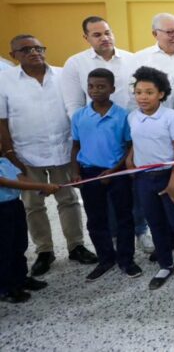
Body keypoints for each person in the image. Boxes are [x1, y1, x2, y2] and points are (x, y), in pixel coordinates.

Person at [0, 34, 97, 277]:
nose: (34, 52)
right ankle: (45, 251)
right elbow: (2, 121)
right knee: (33, 205)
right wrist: (11, 155)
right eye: (26, 50)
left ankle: (76, 246)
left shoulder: (63, 74)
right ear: (13, 55)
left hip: (63, 149)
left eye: (38, 48)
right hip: (25, 153)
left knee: (69, 200)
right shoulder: (4, 80)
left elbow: (77, 110)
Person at [60, 16, 153, 254]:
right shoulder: (75, 63)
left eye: (107, 32)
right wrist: (93, 131)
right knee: (104, 197)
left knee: (133, 187)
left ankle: (141, 231)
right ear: (86, 37)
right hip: (98, 135)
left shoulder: (132, 59)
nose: (105, 38)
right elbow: (73, 104)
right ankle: (112, 238)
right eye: (97, 34)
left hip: (130, 131)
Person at [127, 66, 174, 291]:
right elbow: (136, 142)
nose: (143, 97)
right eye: (139, 92)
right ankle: (165, 265)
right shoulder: (133, 117)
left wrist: (173, 182)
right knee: (155, 223)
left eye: (149, 92)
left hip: (171, 178)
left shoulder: (171, 117)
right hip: (144, 180)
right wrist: (130, 161)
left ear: (161, 94)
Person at [70, 68, 142, 282]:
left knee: (124, 217)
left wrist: (114, 170)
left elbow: (130, 147)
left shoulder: (123, 115)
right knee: (95, 219)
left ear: (112, 88)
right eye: (91, 86)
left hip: (117, 173)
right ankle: (105, 258)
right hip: (90, 174)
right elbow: (75, 146)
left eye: (101, 86)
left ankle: (126, 260)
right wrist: (75, 172)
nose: (95, 90)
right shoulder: (80, 116)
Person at [0, 148, 57, 303]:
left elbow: (21, 178)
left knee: (18, 244)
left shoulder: (5, 162)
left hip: (14, 205)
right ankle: (5, 288)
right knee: (3, 249)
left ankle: (20, 278)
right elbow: (5, 182)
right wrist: (41, 186)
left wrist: (41, 187)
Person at [129, 13, 174, 107]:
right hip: (154, 114)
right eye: (170, 32)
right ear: (155, 34)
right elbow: (132, 92)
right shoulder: (140, 58)